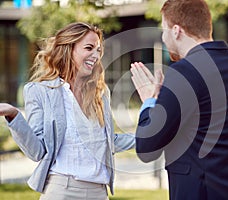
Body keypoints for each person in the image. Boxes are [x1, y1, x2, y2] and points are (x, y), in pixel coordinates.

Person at [130, 0, 228, 199]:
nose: (163, 37)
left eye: (164, 30)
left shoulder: (184, 72)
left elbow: (147, 147)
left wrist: (150, 100)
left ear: (176, 31)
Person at [0, 22, 135, 200]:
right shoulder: (40, 91)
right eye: (89, 48)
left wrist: (152, 138)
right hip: (61, 190)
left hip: (99, 193)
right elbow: (37, 152)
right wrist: (14, 115)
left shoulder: (99, 94)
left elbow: (109, 141)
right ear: (68, 49)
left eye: (98, 50)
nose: (96, 55)